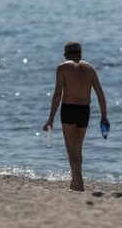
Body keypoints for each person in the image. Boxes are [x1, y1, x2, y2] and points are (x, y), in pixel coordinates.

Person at [43, 41, 109, 191]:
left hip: (69, 110)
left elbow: (57, 94)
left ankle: (79, 183)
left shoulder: (62, 68)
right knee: (78, 148)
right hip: (84, 111)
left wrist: (51, 118)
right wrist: (104, 116)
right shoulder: (90, 69)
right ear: (80, 52)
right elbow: (100, 94)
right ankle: (75, 182)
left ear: (66, 55)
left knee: (71, 149)